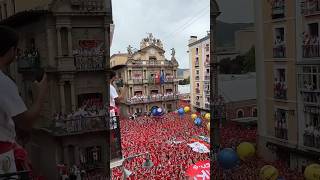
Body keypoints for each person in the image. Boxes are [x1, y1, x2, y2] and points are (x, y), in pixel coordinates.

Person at [0, 26, 48, 173]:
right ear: (10, 50)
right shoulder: (3, 82)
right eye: (16, 49)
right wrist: (41, 93)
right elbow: (26, 121)